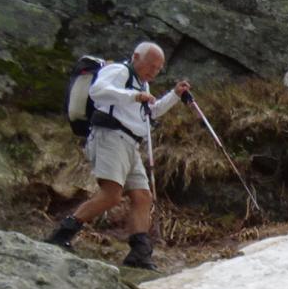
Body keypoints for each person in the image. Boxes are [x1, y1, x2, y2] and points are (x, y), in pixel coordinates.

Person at [46, 41, 189, 269]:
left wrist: (174, 95)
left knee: (143, 197)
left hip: (129, 143)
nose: (154, 71)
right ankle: (61, 234)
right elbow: (97, 91)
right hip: (109, 136)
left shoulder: (142, 84)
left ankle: (139, 254)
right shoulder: (119, 71)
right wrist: (133, 96)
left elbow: (151, 112)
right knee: (112, 195)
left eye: (158, 68)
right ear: (136, 57)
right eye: (151, 65)